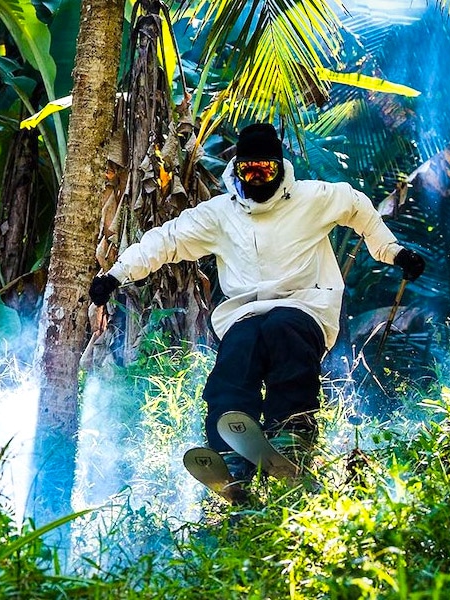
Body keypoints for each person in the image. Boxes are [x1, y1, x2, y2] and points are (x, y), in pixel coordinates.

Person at [88, 122, 424, 481]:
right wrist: (115, 275)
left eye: (267, 170)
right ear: (237, 170)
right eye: (250, 170)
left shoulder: (313, 198)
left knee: (284, 329)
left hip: (305, 306)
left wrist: (393, 252)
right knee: (238, 351)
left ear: (281, 169)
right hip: (246, 312)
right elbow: (166, 241)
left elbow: (357, 207)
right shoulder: (220, 214)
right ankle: (229, 451)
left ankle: (292, 435)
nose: (259, 179)